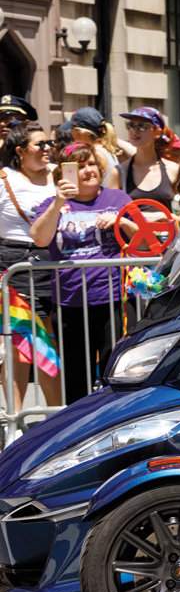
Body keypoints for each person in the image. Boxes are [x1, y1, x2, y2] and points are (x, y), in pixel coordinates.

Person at [30, 143, 134, 403]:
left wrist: (121, 221)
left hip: (110, 298)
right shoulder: (53, 203)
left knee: (115, 368)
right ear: (65, 175)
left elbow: (143, 239)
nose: (89, 170)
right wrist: (58, 204)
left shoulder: (117, 198)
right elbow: (40, 239)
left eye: (91, 164)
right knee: (76, 374)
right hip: (70, 302)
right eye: (80, 167)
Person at [0, 123, 63, 409]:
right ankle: (15, 419)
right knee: (22, 343)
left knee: (49, 338)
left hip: (57, 263)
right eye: (40, 145)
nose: (48, 149)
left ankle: (54, 417)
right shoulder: (5, 179)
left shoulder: (58, 175)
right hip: (16, 264)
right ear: (20, 151)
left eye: (50, 143)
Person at [118, 107, 179, 210]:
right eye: (130, 125)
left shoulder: (173, 170)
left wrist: (162, 217)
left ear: (157, 132)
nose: (134, 131)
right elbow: (111, 211)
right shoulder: (119, 172)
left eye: (141, 126)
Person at [66, 108, 121, 189]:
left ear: (80, 132)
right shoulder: (105, 149)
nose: (71, 133)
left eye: (72, 130)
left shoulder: (96, 153)